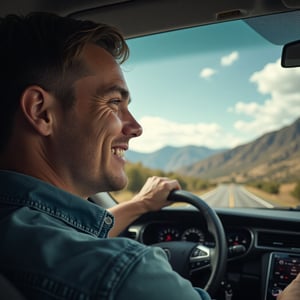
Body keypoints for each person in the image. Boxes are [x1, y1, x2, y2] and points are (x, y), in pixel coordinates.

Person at [0, 12, 211, 300]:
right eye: (114, 102)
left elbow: (60, 241)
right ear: (41, 112)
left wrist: (140, 205)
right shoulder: (124, 274)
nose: (136, 128)